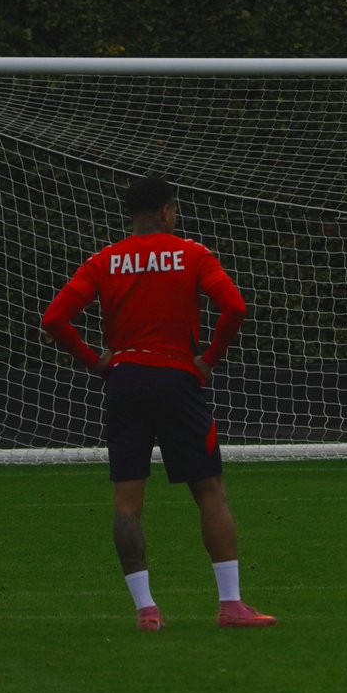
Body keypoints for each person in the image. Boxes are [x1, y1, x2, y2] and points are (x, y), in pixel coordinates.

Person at [41, 176, 275, 631]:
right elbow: (235, 308)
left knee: (127, 504)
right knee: (209, 491)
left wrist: (96, 362)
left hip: (125, 380)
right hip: (176, 379)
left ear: (131, 215)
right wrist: (208, 360)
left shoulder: (104, 260)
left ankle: (146, 610)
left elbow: (53, 319)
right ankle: (230, 605)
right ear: (168, 211)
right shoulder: (192, 253)